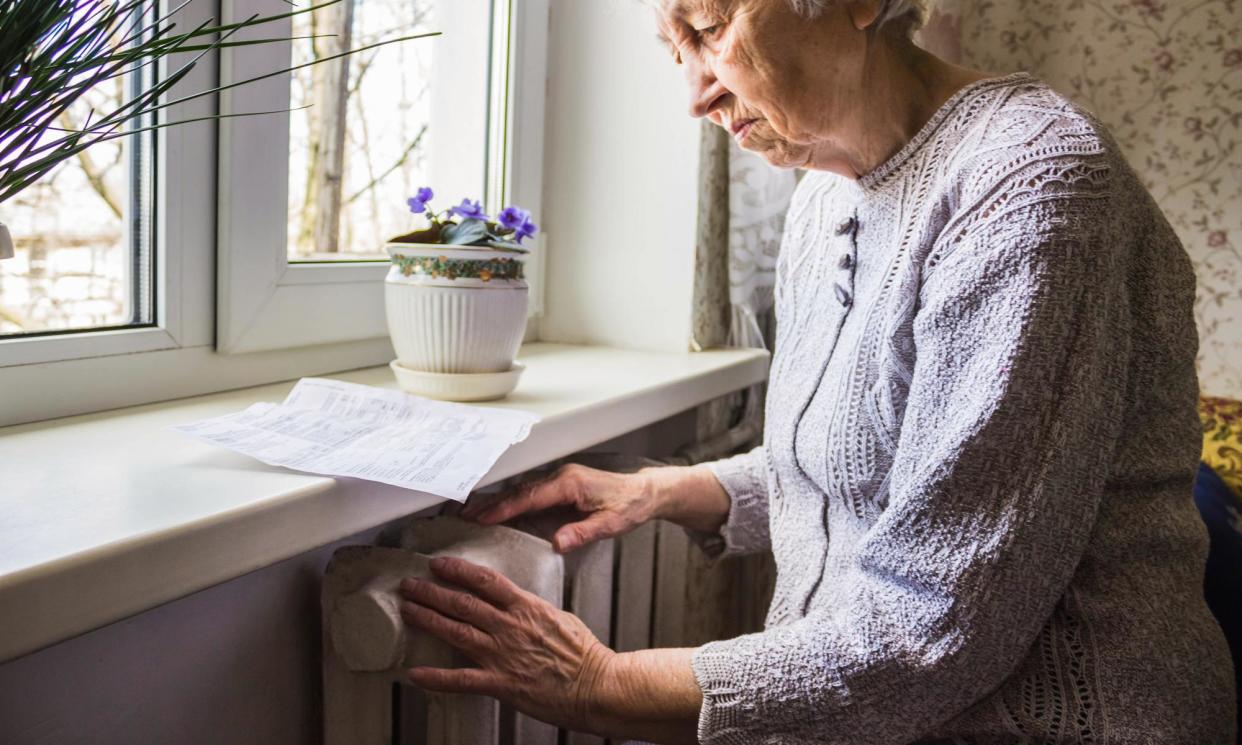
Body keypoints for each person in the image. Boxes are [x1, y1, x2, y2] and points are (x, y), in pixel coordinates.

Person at [393, 0, 1238, 742]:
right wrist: (664, 490)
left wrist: (598, 685)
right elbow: (871, 461)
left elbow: (932, 626)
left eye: (711, 29)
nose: (695, 95)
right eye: (673, 49)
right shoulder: (823, 195)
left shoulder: (1031, 192)